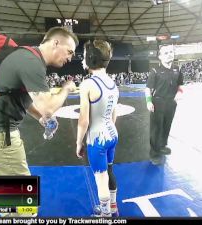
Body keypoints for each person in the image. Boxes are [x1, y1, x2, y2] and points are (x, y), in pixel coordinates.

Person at [0, 26, 78, 177]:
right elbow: (48, 108)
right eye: (69, 51)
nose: (70, 58)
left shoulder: (28, 56)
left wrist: (40, 117)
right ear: (55, 43)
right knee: (24, 194)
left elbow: (18, 97)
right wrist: (66, 88)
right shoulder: (31, 62)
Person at [76, 40, 119, 217]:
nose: (81, 60)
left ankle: (105, 214)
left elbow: (83, 120)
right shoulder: (113, 83)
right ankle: (114, 207)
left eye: (83, 56)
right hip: (112, 135)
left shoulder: (87, 84)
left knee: (100, 178)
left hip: (97, 139)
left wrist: (79, 142)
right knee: (109, 170)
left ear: (90, 59)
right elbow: (113, 115)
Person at [145, 45, 184, 165]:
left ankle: (162, 146)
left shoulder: (177, 69)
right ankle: (154, 153)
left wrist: (179, 93)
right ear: (160, 56)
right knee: (156, 128)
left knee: (167, 126)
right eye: (166, 53)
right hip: (158, 102)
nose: (169, 54)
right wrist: (148, 101)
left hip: (171, 103)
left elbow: (180, 85)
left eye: (171, 52)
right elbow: (148, 89)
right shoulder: (155, 71)